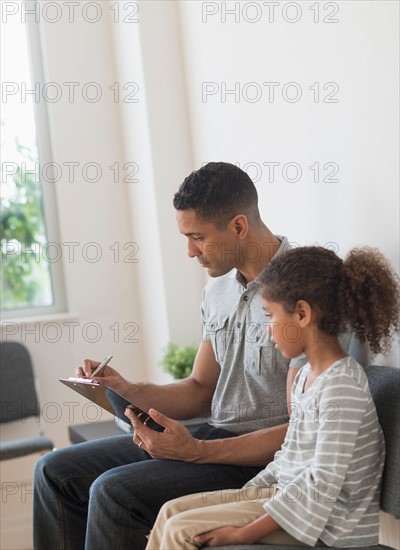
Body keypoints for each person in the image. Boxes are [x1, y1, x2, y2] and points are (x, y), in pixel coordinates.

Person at [34, 162, 317, 549]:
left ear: (238, 226)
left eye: (198, 237)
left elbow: (302, 431)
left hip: (257, 458)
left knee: (113, 492)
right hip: (211, 435)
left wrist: (197, 452)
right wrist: (125, 388)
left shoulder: (305, 291)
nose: (189, 252)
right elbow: (199, 388)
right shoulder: (217, 291)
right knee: (53, 471)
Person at [146, 245, 400, 549]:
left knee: (179, 530)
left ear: (303, 314)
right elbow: (287, 461)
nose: (268, 331)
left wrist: (243, 533)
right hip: (288, 501)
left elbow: (320, 486)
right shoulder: (305, 376)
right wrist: (241, 497)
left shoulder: (341, 387)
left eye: (270, 316)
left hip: (327, 527)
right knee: (171, 511)